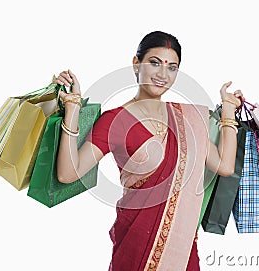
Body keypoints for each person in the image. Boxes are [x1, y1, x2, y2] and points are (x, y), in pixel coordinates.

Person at [54, 31, 244, 271]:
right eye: (154, 63)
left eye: (172, 67)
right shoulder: (115, 121)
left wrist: (228, 110)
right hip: (135, 242)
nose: (163, 74)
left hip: (182, 248)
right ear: (136, 64)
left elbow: (225, 166)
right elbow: (68, 173)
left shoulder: (188, 118)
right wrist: (72, 109)